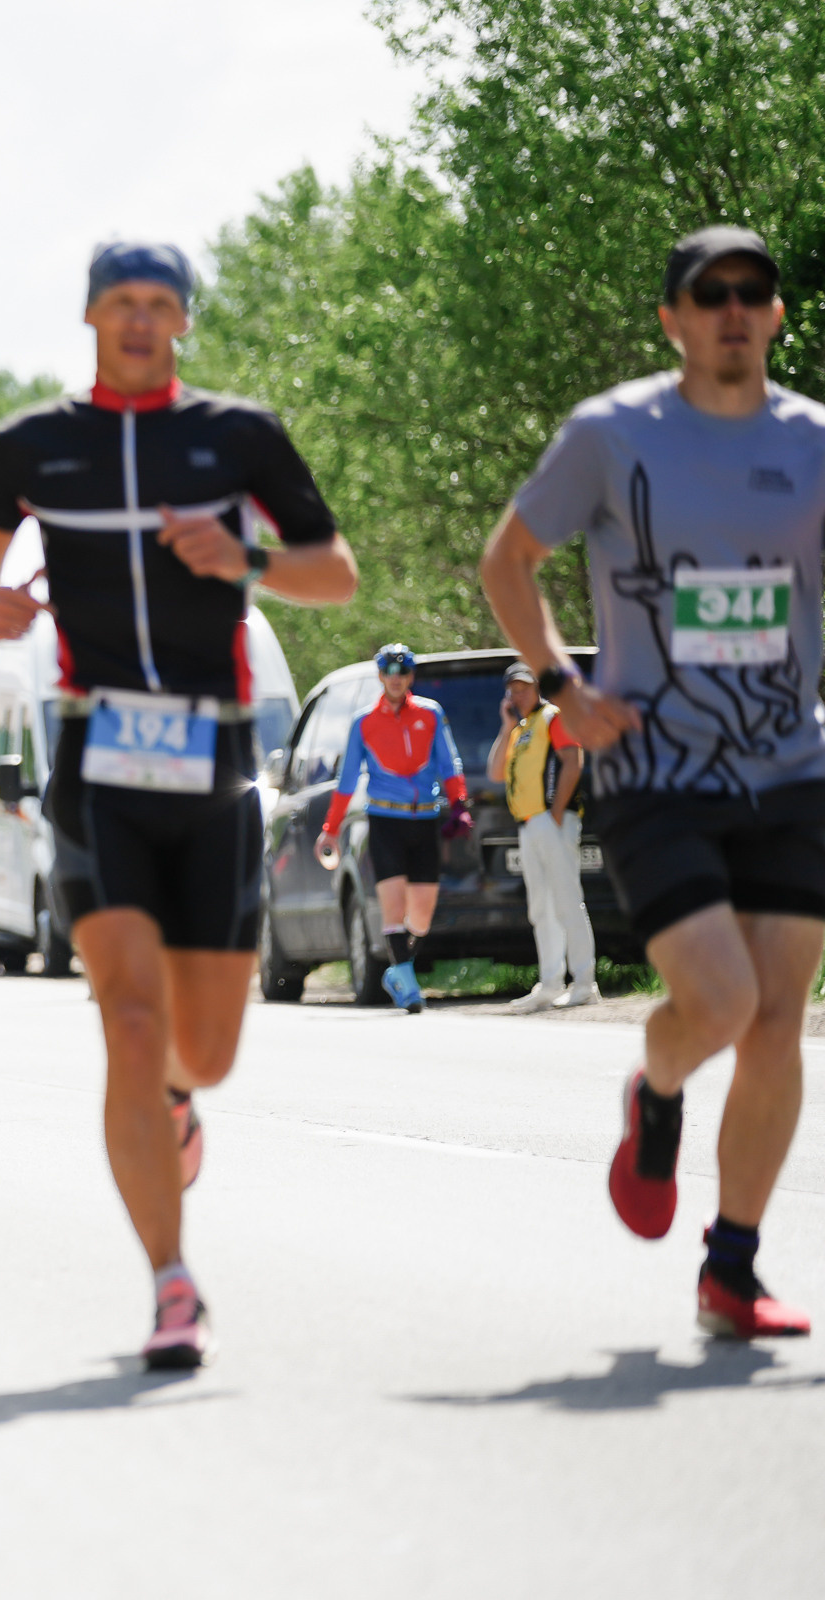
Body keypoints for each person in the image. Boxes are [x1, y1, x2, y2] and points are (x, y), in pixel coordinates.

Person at [0, 240, 357, 1368]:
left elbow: (336, 572)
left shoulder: (238, 435)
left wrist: (248, 559)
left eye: (161, 304)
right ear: (90, 316)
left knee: (205, 1050)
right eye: (121, 303)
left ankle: (180, 1094)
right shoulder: (34, 444)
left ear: (183, 320)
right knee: (126, 1020)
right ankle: (172, 1286)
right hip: (97, 757)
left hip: (215, 762)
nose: (140, 320)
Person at [478, 225, 825, 1341]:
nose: (733, 309)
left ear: (777, 314)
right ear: (673, 317)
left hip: (791, 762)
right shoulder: (611, 434)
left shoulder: (815, 442)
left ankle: (732, 1267)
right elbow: (507, 560)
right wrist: (559, 684)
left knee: (778, 1022)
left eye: (753, 292)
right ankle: (658, 1089)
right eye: (708, 292)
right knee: (720, 1000)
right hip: (654, 764)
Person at [314, 643, 471, 1013]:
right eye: (389, 671)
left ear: (410, 676)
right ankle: (407, 983)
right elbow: (347, 779)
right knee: (393, 905)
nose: (396, 678)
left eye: (403, 672)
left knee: (421, 915)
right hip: (385, 820)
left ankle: (400, 970)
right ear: (380, 676)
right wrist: (330, 829)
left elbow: (449, 764)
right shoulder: (364, 722)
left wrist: (460, 805)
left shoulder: (431, 714)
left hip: (424, 819)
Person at [485, 660, 598, 1013]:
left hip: (553, 820)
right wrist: (506, 727)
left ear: (536, 687)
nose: (518, 695)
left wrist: (555, 813)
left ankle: (584, 982)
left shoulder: (553, 716)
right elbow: (495, 773)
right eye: (513, 689)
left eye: (524, 687)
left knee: (567, 899)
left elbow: (573, 761)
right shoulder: (520, 729)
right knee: (541, 907)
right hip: (529, 824)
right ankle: (550, 983)